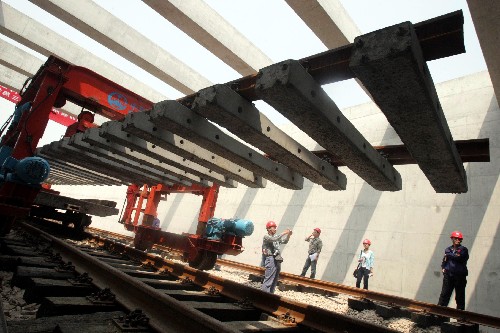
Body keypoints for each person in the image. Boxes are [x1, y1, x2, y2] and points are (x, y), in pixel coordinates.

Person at [438, 231, 469, 310]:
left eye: (459, 239)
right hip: (449, 276)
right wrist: (443, 268)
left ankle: (460, 317)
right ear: (452, 238)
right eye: (456, 238)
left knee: (459, 297)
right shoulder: (448, 249)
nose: (458, 240)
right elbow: (445, 260)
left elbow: (459, 258)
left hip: (460, 277)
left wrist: (449, 255)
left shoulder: (463, 250)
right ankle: (439, 313)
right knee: (444, 295)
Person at [261, 220, 292, 293]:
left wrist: (288, 235)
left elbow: (284, 241)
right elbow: (274, 239)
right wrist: (284, 232)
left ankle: (270, 295)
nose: (275, 229)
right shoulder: (266, 236)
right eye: (273, 227)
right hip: (271, 258)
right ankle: (265, 295)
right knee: (268, 279)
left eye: (275, 227)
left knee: (275, 278)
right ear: (269, 229)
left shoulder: (276, 236)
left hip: (277, 258)